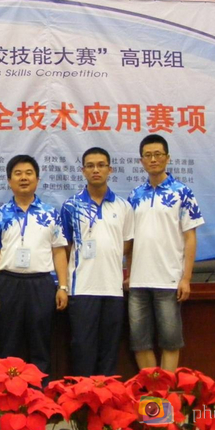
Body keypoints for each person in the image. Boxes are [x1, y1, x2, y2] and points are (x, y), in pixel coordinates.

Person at [0, 154, 68, 379]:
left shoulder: (50, 214)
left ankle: (40, 390)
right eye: (18, 174)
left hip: (41, 284)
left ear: (37, 180)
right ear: (9, 181)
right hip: (8, 283)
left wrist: (63, 287)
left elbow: (59, 252)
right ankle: (6, 390)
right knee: (8, 341)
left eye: (29, 173)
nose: (24, 178)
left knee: (41, 340)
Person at [127, 134, 205, 372]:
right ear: (141, 161)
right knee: (139, 341)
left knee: (170, 340)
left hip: (169, 280)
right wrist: (129, 272)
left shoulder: (183, 193)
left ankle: (165, 390)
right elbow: (130, 239)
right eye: (148, 155)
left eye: (158, 154)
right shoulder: (134, 195)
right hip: (138, 282)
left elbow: (190, 237)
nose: (153, 159)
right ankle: (152, 390)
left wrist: (186, 278)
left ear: (167, 158)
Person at [61, 147, 134, 376]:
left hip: (113, 289)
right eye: (90, 166)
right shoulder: (71, 206)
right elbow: (65, 247)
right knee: (83, 347)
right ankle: (82, 395)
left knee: (109, 349)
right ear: (83, 171)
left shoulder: (123, 206)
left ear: (110, 170)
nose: (96, 170)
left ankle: (106, 396)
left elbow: (128, 245)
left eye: (101, 165)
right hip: (82, 288)